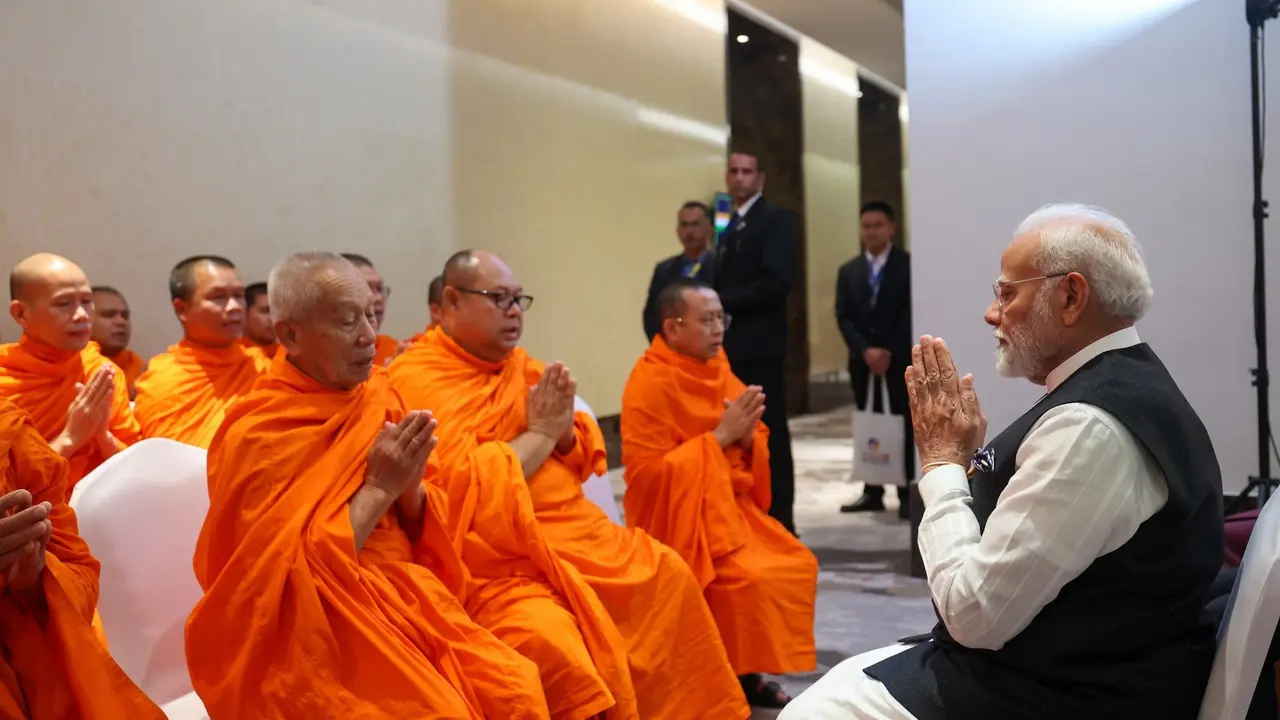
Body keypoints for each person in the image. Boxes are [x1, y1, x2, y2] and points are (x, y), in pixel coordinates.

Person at [782, 204, 1224, 720]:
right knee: (843, 681)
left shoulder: (1090, 426)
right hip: (1062, 664)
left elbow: (974, 615)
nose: (992, 314)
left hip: (1065, 692)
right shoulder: (1120, 382)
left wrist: (942, 464)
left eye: (1007, 293)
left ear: (1071, 296)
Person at [184, 252, 549, 719]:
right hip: (320, 630)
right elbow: (279, 586)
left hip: (408, 592)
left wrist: (410, 485)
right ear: (291, 335)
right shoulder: (260, 433)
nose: (368, 337)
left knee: (514, 689)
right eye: (345, 322)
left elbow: (421, 524)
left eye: (371, 317)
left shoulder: (379, 395)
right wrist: (379, 489)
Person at [390, 250, 751, 720]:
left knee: (666, 574)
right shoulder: (416, 380)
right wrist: (540, 433)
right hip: (496, 560)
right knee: (555, 643)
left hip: (577, 534)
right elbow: (454, 490)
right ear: (452, 301)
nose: (514, 310)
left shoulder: (526, 369)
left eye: (519, 299)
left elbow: (584, 459)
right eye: (498, 298)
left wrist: (561, 434)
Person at [622, 278, 818, 708]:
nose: (718, 330)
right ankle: (719, 677)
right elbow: (647, 478)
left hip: (728, 508)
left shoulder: (717, 366)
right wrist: (719, 439)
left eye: (720, 319)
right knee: (743, 578)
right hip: (678, 518)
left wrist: (747, 439)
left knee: (792, 563)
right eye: (706, 320)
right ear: (672, 328)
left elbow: (752, 439)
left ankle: (744, 671)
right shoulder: (650, 383)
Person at [0, 396, 164, 719]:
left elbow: (80, 572)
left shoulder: (11, 433)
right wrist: (69, 439)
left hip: (36, 660)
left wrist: (37, 580)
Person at [0, 254, 139, 491]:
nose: (82, 315)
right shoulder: (5, 378)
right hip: (31, 523)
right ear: (21, 313)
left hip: (99, 517)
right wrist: (70, 438)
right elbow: (9, 490)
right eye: (64, 303)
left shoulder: (103, 373)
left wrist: (102, 437)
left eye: (86, 301)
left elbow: (138, 470)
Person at [713, 151, 797, 534]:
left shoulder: (774, 220)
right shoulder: (726, 222)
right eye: (734, 171)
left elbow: (777, 282)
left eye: (747, 171)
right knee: (736, 426)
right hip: (729, 347)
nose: (739, 178)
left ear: (759, 177)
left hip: (760, 345)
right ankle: (747, 510)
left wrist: (723, 300)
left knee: (770, 431)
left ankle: (781, 516)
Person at [133, 256, 270, 449]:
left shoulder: (263, 368)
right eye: (218, 297)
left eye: (239, 296)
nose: (234, 307)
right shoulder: (164, 379)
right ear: (182, 309)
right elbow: (163, 460)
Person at [836, 201, 913, 519]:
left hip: (897, 362)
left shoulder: (907, 265)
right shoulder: (849, 270)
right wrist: (865, 351)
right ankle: (872, 490)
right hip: (862, 362)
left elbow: (909, 313)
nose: (872, 231)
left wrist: (888, 352)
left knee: (902, 423)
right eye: (866, 225)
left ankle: (907, 492)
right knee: (869, 423)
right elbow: (843, 317)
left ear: (892, 228)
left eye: (878, 225)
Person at [642, 201, 716, 340]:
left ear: (709, 228)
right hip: (673, 349)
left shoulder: (721, 266)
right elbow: (651, 314)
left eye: (695, 224)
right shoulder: (665, 269)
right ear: (677, 230)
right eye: (684, 225)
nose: (689, 231)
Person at [341, 253, 401, 366]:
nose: (378, 298)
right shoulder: (327, 356)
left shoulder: (392, 349)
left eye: (379, 289)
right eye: (366, 288)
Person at [90, 286, 146, 400]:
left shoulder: (136, 366)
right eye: (108, 315)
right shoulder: (73, 366)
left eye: (125, 316)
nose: (121, 322)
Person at [240, 281, 278, 356]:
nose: (274, 319)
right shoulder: (233, 356)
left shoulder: (292, 357)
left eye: (278, 312)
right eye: (265, 311)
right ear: (243, 314)